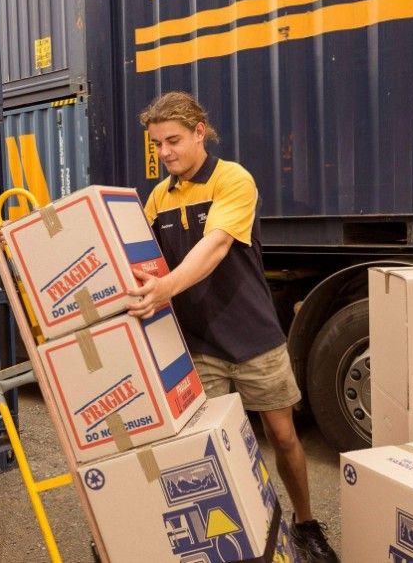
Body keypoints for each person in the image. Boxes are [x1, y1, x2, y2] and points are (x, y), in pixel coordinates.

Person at [127, 91, 339, 563]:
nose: (165, 154)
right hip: (198, 343)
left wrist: (164, 287)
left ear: (200, 133)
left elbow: (216, 246)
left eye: (173, 141)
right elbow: (141, 258)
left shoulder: (233, 179)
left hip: (252, 335)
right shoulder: (159, 196)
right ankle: (241, 537)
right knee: (209, 450)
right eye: (157, 144)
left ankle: (306, 524)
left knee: (282, 436)